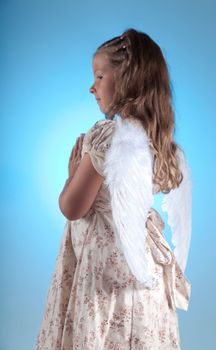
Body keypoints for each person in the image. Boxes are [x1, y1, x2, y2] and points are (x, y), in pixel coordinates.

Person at [35, 28, 192, 350]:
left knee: (103, 334)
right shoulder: (161, 142)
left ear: (127, 82)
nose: (92, 87)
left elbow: (73, 207)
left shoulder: (108, 137)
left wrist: (71, 176)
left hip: (105, 266)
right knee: (141, 334)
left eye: (100, 76)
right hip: (144, 265)